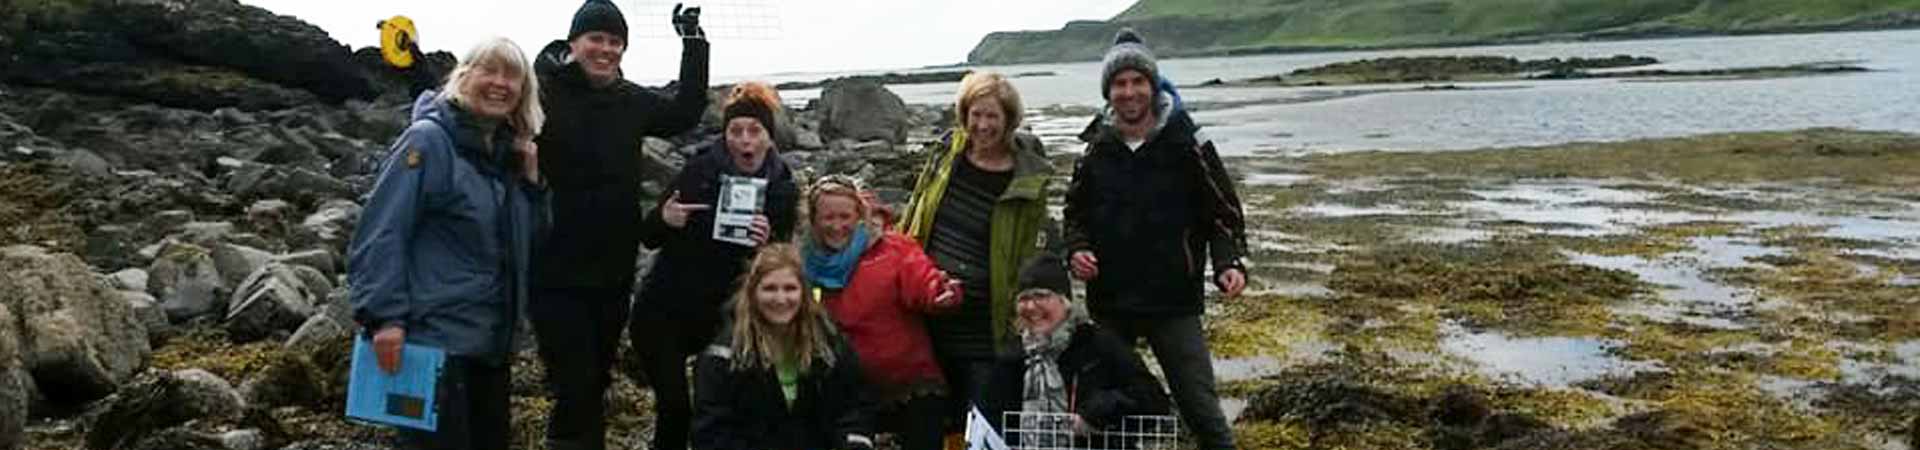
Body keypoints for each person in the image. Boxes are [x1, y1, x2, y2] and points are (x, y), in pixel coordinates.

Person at [348, 36, 547, 450]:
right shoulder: (429, 140)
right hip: (432, 346)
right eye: (488, 70)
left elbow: (531, 247)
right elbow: (382, 230)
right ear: (462, 77)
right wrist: (385, 319)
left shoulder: (505, 155)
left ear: (524, 92)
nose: (499, 83)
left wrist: (531, 184)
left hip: (490, 346)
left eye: (512, 76)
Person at [526, 1, 708, 449]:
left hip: (613, 269)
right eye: (596, 39)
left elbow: (685, 111)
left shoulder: (630, 101)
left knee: (596, 381)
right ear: (574, 44)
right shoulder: (543, 93)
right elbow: (481, 106)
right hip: (554, 269)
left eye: (615, 42)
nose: (605, 49)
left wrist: (693, 41)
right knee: (576, 383)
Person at [1062, 28, 1249, 450]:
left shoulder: (1188, 141)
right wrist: (1076, 250)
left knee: (1201, 409)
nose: (1129, 92)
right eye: (1119, 84)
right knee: (1102, 407)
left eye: (1137, 82)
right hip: (1110, 303)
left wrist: (1228, 264)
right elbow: (1074, 214)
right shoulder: (1094, 148)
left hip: (1173, 302)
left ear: (1153, 84)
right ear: (1108, 91)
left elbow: (1223, 213)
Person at [635, 81, 801, 450]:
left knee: (724, 413)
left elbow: (781, 265)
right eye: (736, 131)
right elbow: (648, 236)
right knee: (676, 409)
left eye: (754, 131)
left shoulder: (782, 187)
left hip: (727, 318)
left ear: (769, 138)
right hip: (665, 311)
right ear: (725, 135)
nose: (745, 140)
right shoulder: (699, 171)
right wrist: (666, 219)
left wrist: (768, 242)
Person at [897, 71, 1055, 436]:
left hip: (987, 325)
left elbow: (1032, 251)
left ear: (1009, 120)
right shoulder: (945, 156)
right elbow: (915, 218)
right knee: (935, 425)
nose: (982, 126)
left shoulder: (1027, 179)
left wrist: (1028, 313)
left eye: (992, 117)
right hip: (931, 316)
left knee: (982, 427)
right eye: (976, 115)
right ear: (964, 115)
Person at [801, 175, 963, 450]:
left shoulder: (894, 249)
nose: (837, 226)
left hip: (910, 384)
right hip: (845, 388)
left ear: (860, 216)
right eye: (828, 218)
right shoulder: (803, 260)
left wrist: (941, 293)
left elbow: (923, 282)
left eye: (845, 216)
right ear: (813, 220)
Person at [691, 244, 875, 450]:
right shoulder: (723, 356)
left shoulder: (829, 344)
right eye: (770, 288)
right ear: (753, 293)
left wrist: (855, 442)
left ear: (803, 293)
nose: (781, 299)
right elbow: (711, 432)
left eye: (790, 288)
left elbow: (853, 407)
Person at [981, 254, 1171, 447]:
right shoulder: (1012, 356)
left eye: (1041, 296)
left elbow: (1155, 402)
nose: (1030, 306)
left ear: (1064, 301)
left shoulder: (1098, 344)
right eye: (1023, 298)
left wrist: (1097, 413)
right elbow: (990, 423)